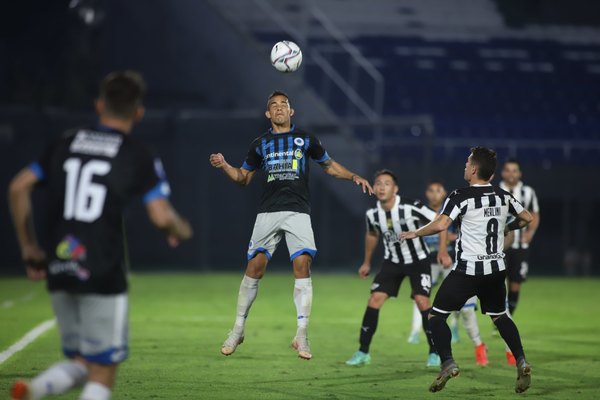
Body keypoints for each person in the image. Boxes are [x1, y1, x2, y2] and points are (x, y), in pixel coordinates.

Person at [8, 71, 192, 400]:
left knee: (81, 361)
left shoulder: (65, 142)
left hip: (60, 267)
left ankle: (34, 389)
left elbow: (18, 187)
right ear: (138, 112)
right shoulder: (137, 154)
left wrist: (28, 247)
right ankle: (35, 389)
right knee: (103, 370)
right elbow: (162, 217)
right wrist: (181, 228)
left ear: (98, 105)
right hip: (103, 271)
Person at [209, 90, 373, 360]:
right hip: (268, 212)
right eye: (273, 106)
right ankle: (237, 329)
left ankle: (302, 334)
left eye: (283, 104)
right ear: (267, 113)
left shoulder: (306, 139)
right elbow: (243, 178)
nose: (279, 109)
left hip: (298, 211)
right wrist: (225, 165)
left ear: (291, 111)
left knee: (302, 265)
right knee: (255, 268)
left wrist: (353, 176)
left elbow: (329, 166)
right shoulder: (260, 143)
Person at [400, 147, 533, 393]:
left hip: (469, 271)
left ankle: (448, 362)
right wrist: (508, 227)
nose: (464, 167)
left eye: (466, 163)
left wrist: (415, 232)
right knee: (500, 316)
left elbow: (441, 224)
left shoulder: (460, 195)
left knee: (436, 316)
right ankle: (521, 360)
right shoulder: (503, 195)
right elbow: (527, 217)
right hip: (496, 270)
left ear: (473, 169)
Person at [345, 170, 445, 368]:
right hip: (392, 262)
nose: (382, 187)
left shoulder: (410, 206)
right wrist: (366, 262)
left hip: (418, 261)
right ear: (373, 188)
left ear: (395, 189)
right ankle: (363, 352)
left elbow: (440, 222)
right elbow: (372, 235)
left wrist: (442, 252)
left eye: (387, 184)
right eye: (378, 183)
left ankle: (435, 352)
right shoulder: (373, 214)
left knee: (422, 301)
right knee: (374, 299)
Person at [408, 181, 488, 367]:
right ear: (427, 193)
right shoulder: (422, 213)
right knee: (420, 297)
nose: (435, 194)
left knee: (467, 308)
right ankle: (415, 331)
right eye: (431, 190)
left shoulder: (454, 208)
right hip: (430, 261)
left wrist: (451, 240)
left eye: (438, 190)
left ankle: (478, 345)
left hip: (454, 261)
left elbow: (466, 233)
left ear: (444, 193)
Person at [499, 158, 540, 365]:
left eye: (515, 170)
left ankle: (507, 319)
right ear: (503, 173)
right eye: (508, 170)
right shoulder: (496, 191)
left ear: (520, 173)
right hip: (499, 247)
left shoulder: (528, 192)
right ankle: (501, 318)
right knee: (498, 284)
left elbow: (535, 215)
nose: (511, 174)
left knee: (515, 285)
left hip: (521, 249)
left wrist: (530, 234)